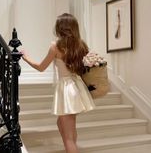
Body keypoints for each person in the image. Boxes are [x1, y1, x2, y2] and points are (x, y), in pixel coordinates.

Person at [21, 13, 95, 153]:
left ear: (60, 28)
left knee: (68, 136)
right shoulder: (81, 45)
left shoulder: (55, 46)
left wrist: (26, 58)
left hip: (66, 89)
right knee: (65, 126)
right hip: (77, 87)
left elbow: (41, 67)